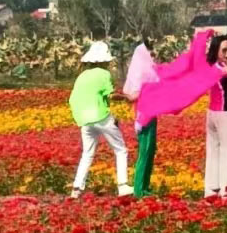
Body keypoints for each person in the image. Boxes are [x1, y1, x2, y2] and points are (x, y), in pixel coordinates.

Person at [68, 41, 133, 198]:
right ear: (104, 61)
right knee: (120, 150)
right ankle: (123, 186)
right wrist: (126, 98)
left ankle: (76, 189)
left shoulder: (82, 76)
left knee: (87, 153)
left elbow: (73, 99)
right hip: (101, 117)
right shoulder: (104, 74)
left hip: (85, 120)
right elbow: (110, 95)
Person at [122, 39, 159, 198]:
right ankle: (139, 189)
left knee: (149, 151)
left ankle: (145, 186)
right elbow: (134, 95)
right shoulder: (142, 73)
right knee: (145, 152)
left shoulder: (148, 72)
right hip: (145, 117)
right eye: (150, 52)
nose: (153, 55)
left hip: (151, 114)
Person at [204, 34, 227, 198]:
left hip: (213, 113)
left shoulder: (212, 67)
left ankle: (212, 189)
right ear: (215, 51)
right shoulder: (222, 69)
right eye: (224, 50)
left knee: (213, 151)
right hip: (225, 113)